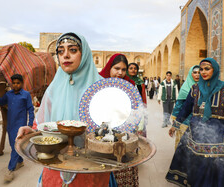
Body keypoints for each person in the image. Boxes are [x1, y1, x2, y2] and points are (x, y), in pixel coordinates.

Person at [16, 32, 110, 187]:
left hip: (91, 169)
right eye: (60, 51)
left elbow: (114, 130)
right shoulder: (55, 87)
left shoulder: (101, 87)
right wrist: (33, 132)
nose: (65, 56)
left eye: (72, 50)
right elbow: (44, 124)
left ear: (84, 53)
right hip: (56, 166)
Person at [166, 58, 224, 187]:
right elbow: (186, 108)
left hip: (218, 136)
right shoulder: (195, 88)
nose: (203, 72)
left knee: (218, 165)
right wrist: (175, 125)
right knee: (197, 164)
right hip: (196, 133)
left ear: (214, 70)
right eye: (201, 69)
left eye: (207, 69)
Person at [100, 53, 140, 187]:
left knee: (123, 170)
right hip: (102, 134)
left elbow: (136, 111)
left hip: (124, 134)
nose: (120, 73)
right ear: (109, 67)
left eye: (123, 69)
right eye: (116, 68)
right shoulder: (99, 83)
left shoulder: (130, 85)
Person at [0, 74, 34, 182]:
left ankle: (10, 170)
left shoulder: (26, 95)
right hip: (11, 125)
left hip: (20, 126)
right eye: (14, 83)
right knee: (14, 146)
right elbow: (2, 102)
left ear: (22, 83)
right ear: (11, 84)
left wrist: (30, 124)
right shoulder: (9, 94)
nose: (16, 85)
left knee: (16, 146)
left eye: (18, 83)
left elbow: (30, 110)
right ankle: (20, 162)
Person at [169, 65, 200, 149]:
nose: (197, 75)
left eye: (199, 72)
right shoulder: (185, 88)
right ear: (191, 74)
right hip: (185, 122)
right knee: (183, 146)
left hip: (199, 122)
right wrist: (175, 125)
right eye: (195, 72)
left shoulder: (204, 88)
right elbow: (178, 106)